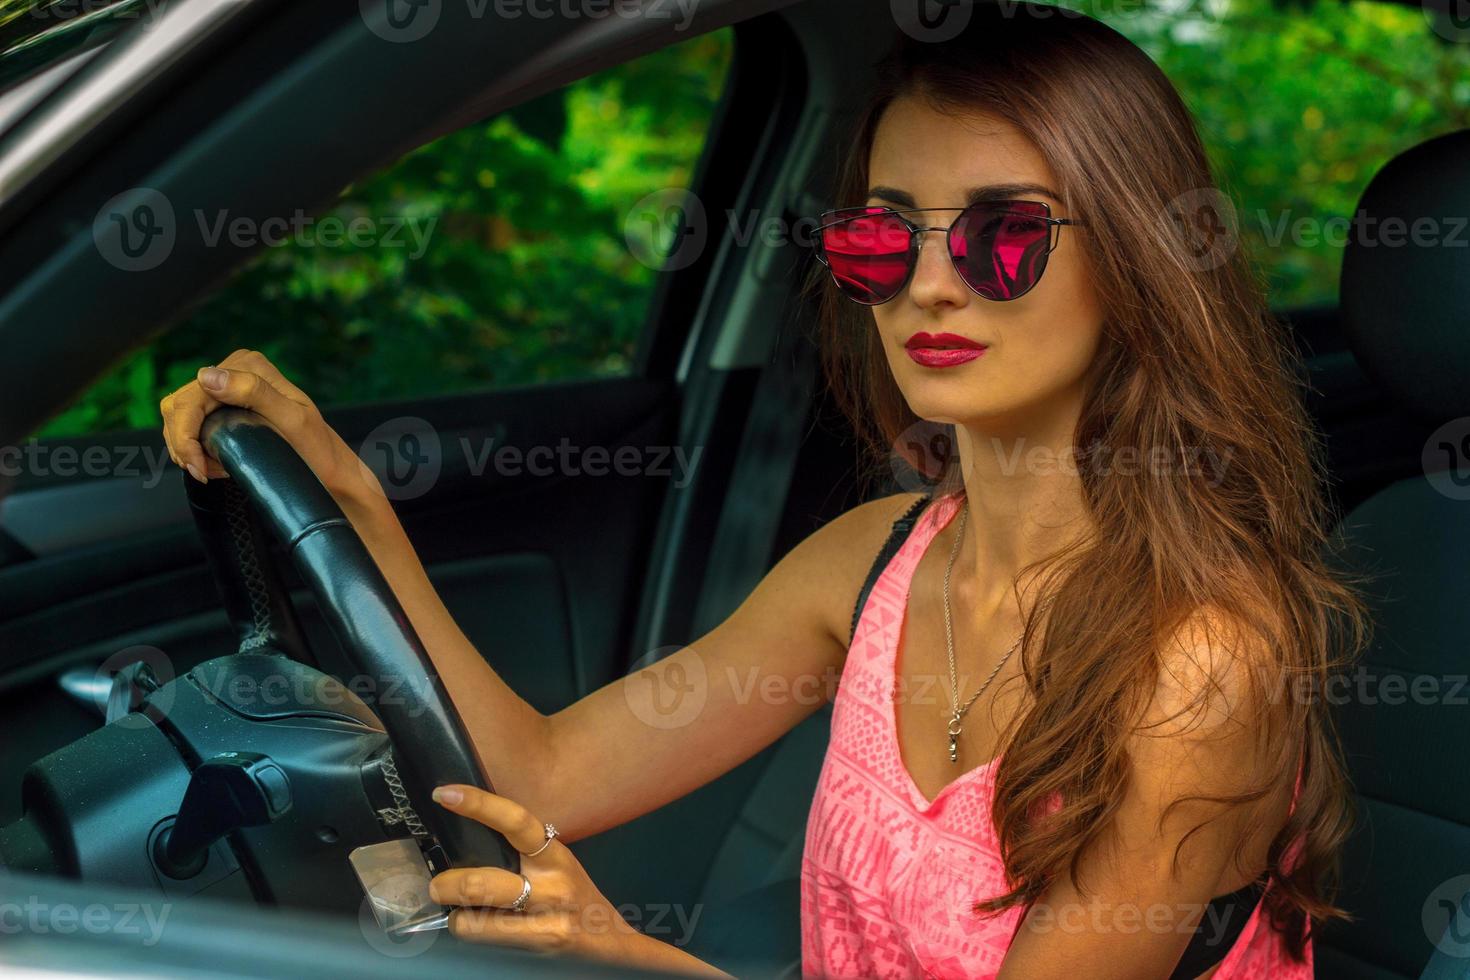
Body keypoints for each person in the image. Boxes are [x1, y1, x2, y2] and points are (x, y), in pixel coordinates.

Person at [158, 3, 1370, 976]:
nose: (931, 288)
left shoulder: (1199, 667)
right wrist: (354, 501)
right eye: (885, 239)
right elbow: (544, 774)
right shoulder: (874, 562)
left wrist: (629, 957)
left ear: (1140, 262)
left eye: (1007, 235)